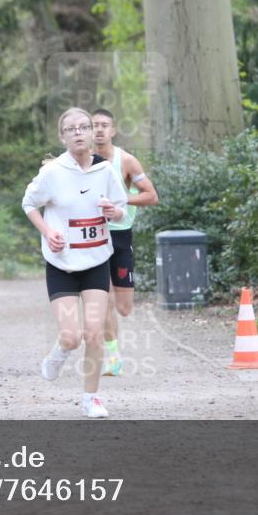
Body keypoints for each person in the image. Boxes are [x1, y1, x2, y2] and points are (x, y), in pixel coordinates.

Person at [22, 108, 127, 418]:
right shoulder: (53, 172)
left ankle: (91, 399)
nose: (79, 132)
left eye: (84, 127)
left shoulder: (105, 170)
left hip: (96, 262)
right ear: (62, 136)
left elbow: (121, 209)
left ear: (92, 132)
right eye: (71, 129)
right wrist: (47, 231)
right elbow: (29, 203)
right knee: (71, 336)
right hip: (62, 264)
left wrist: (113, 212)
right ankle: (59, 353)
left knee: (94, 333)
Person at [91, 109, 159, 376]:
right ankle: (113, 358)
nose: (99, 130)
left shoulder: (127, 161)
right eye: (94, 125)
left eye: (104, 125)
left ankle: (113, 353)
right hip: (94, 236)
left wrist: (121, 199)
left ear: (113, 130)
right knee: (103, 299)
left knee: (124, 308)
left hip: (121, 236)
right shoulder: (81, 161)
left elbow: (152, 196)